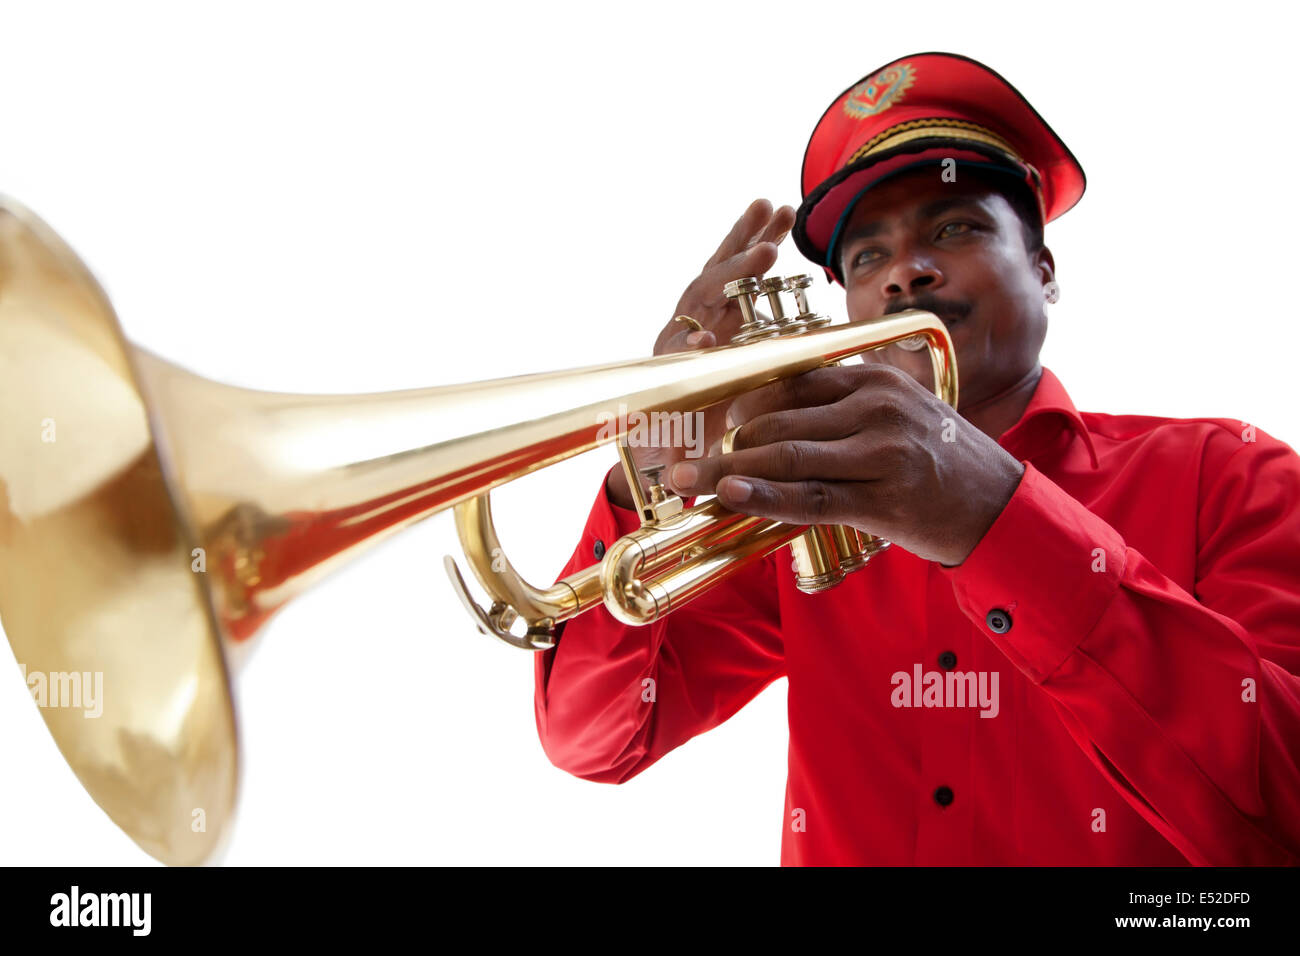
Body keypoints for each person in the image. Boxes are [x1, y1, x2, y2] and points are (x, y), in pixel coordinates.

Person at [532, 52, 1300, 865]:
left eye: (953, 228)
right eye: (867, 260)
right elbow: (597, 741)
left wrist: (995, 521)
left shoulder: (1231, 473)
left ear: (1044, 274)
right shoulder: (794, 518)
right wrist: (649, 466)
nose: (904, 273)